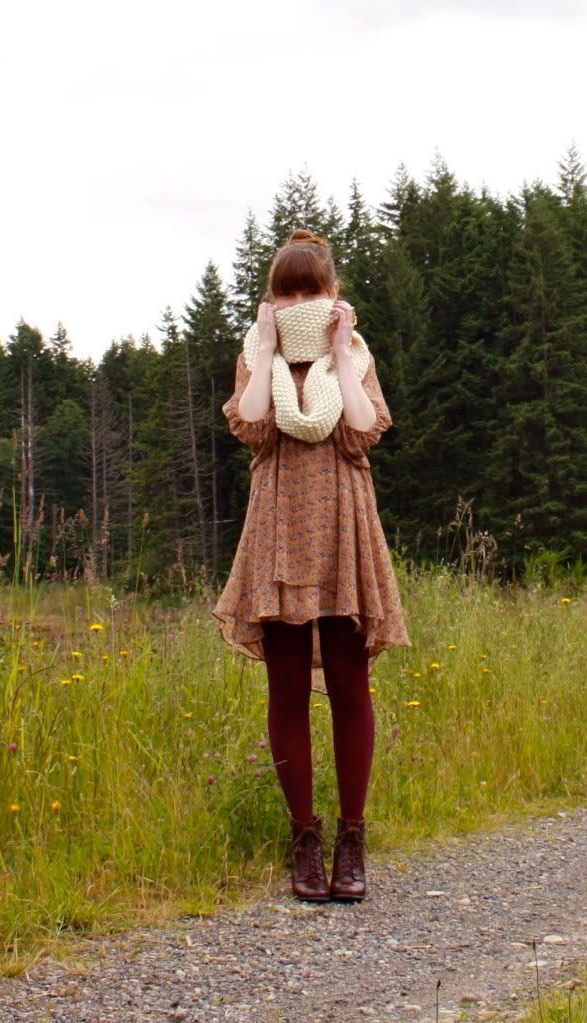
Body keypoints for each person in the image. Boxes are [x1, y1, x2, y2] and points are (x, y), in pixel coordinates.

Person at [212, 228, 412, 902]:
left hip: (344, 532)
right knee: (287, 690)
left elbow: (360, 428)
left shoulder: (353, 357)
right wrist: (267, 349)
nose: (299, 299)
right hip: (279, 536)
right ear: (271, 300)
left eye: (311, 289)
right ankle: (304, 836)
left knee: (352, 687)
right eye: (286, 290)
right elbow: (255, 423)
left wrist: (336, 351)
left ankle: (352, 837)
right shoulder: (254, 358)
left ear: (333, 294)